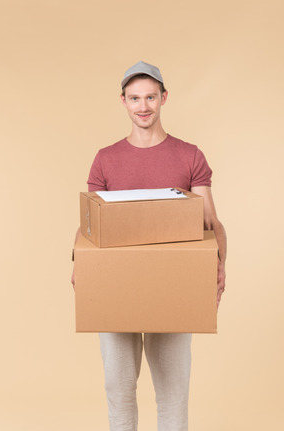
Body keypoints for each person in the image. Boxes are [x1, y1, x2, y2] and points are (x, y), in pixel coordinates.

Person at [72, 61, 226, 431]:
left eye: (150, 97)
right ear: (123, 102)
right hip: (114, 286)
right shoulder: (106, 159)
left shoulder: (189, 155)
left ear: (164, 98)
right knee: (119, 390)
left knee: (173, 393)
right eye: (135, 98)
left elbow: (210, 221)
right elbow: (91, 224)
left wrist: (219, 266)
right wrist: (79, 264)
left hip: (173, 284)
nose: (143, 106)